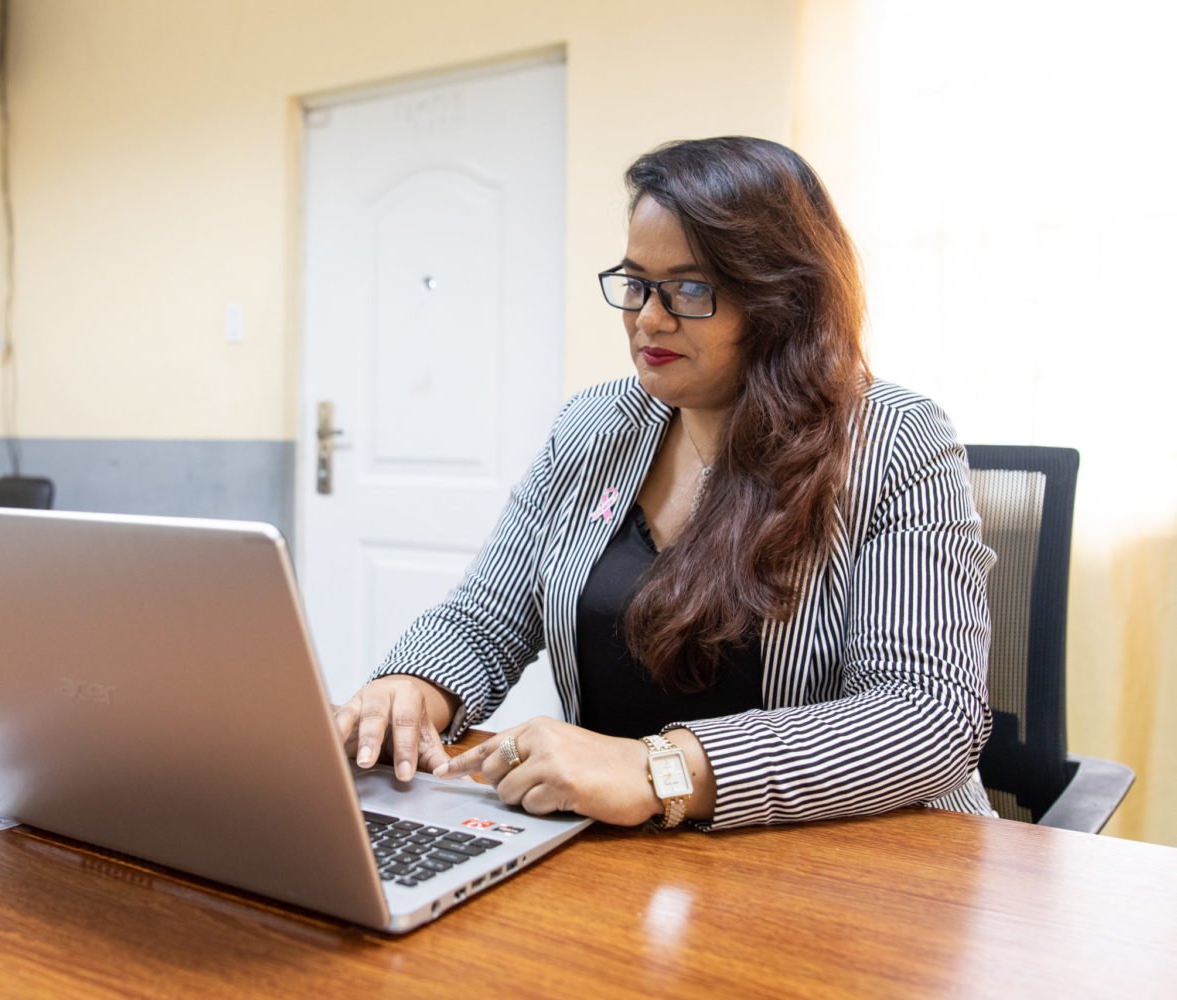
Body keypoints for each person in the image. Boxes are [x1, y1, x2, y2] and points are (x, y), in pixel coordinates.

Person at [332, 136, 996, 830]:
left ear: (781, 299)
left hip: (839, 867)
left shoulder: (895, 440)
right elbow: (484, 618)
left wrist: (659, 768)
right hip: (621, 855)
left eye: (689, 289)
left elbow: (925, 714)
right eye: (637, 283)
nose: (648, 316)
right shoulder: (594, 426)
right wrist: (413, 686)